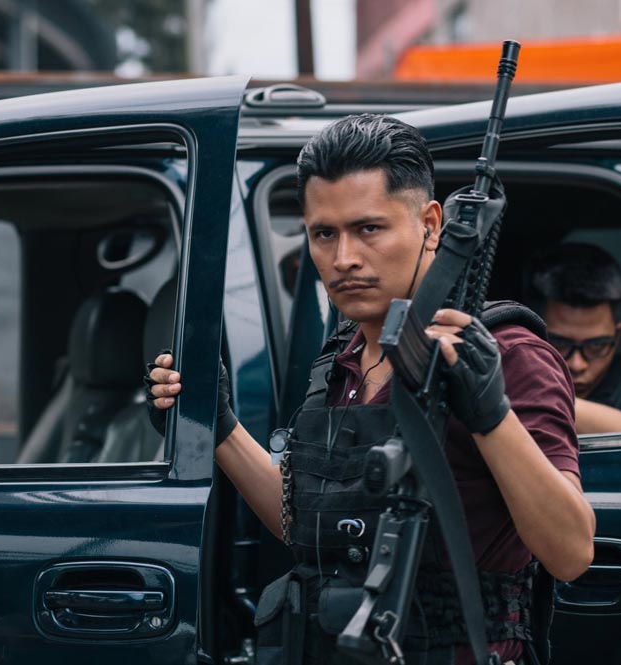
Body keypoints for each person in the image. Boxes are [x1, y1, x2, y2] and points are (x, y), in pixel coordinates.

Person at [147, 114, 595, 665]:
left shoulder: (506, 354)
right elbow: (309, 527)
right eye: (324, 234)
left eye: (368, 229)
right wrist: (219, 428)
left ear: (431, 224)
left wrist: (492, 415)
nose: (344, 259)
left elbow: (571, 551)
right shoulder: (340, 358)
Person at [527, 244, 621, 434]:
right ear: (531, 334)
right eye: (559, 344)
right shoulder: (508, 371)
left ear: (617, 336)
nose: (577, 365)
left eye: (597, 345)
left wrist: (528, 394)